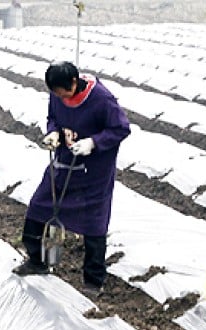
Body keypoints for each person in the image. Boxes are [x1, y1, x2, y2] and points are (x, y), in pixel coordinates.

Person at [13, 61, 130, 299]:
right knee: (39, 206)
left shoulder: (101, 99)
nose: (59, 97)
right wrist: (53, 132)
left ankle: (94, 280)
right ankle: (36, 260)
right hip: (63, 164)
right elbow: (53, 117)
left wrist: (93, 143)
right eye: (55, 93)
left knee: (94, 224)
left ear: (74, 83)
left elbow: (121, 128)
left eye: (62, 92)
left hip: (93, 172)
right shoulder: (58, 94)